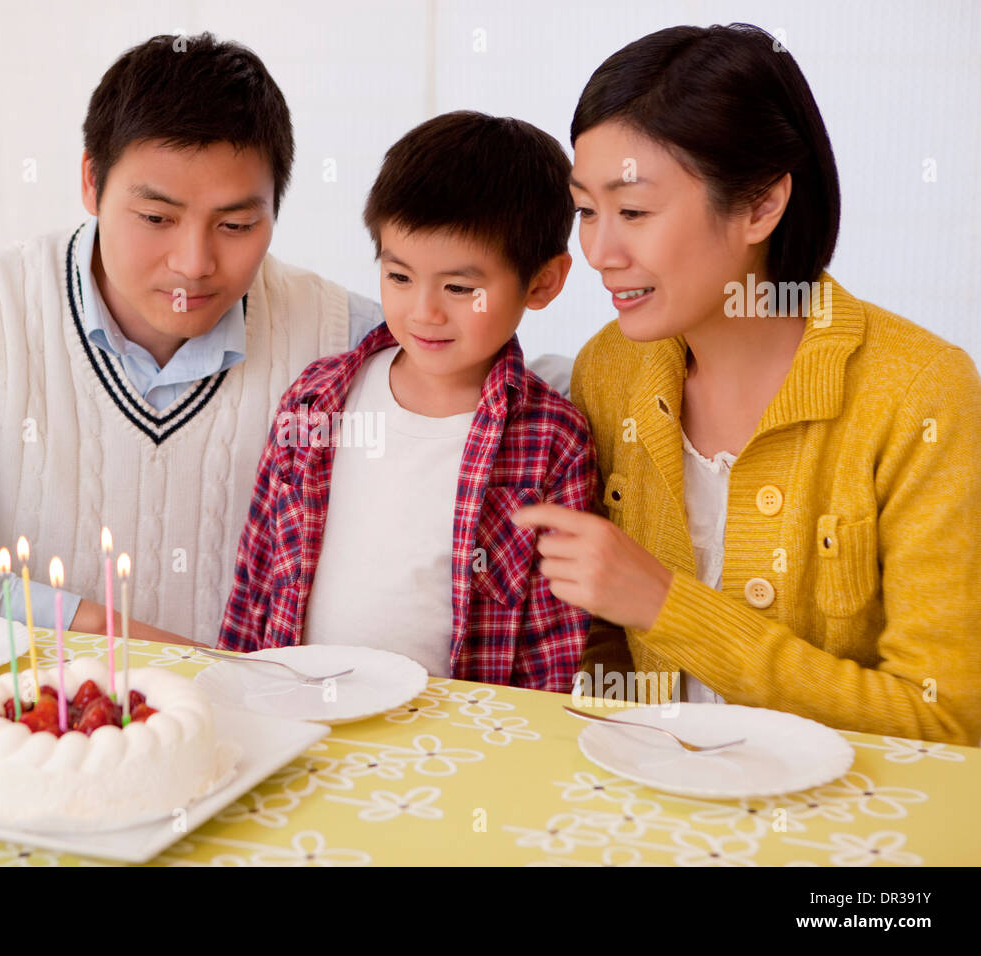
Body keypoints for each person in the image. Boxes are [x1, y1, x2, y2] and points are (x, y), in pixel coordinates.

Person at [0, 33, 383, 645]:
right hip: (35, 700)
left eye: (236, 225)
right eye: (156, 218)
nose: (194, 263)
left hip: (260, 703)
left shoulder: (345, 338)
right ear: (91, 180)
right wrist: (97, 629)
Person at [512, 24, 981, 743]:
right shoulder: (609, 369)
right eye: (586, 211)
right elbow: (600, 649)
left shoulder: (923, 393)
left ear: (761, 206)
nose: (599, 251)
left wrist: (671, 607)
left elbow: (947, 721)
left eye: (633, 211)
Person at [218, 112, 596, 689]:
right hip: (300, 709)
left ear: (542, 282)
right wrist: (234, 692)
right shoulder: (315, 401)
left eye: (459, 288)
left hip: (456, 730)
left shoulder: (553, 440)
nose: (424, 312)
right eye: (399, 277)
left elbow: (554, 641)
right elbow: (257, 577)